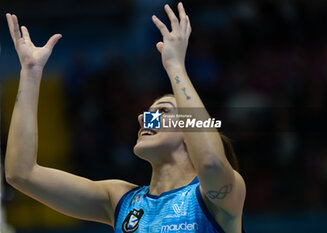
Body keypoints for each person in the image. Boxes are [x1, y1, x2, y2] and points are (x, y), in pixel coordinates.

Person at [5, 2, 246, 232]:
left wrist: (175, 67)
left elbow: (211, 162)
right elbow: (21, 173)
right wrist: (31, 72)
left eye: (161, 112)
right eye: (147, 114)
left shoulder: (218, 197)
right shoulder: (120, 200)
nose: (144, 119)